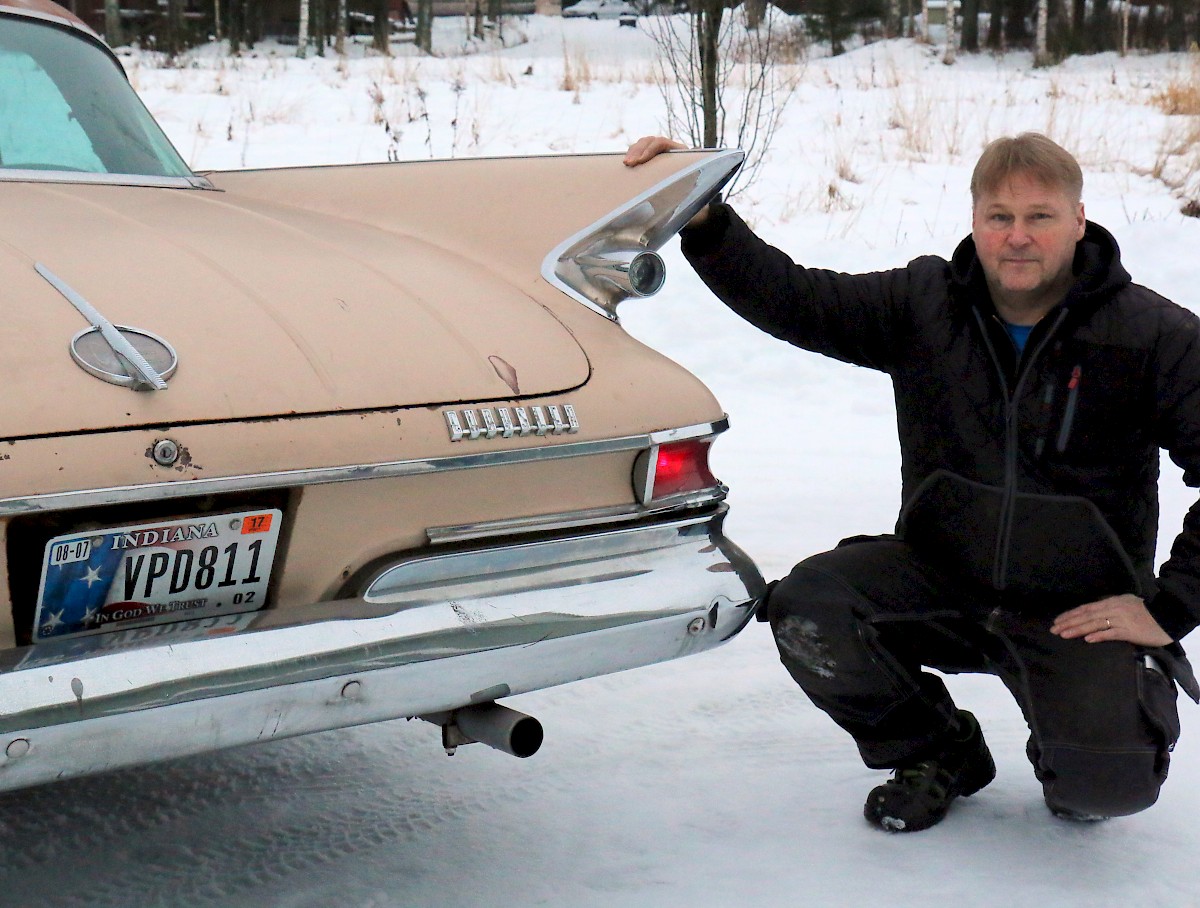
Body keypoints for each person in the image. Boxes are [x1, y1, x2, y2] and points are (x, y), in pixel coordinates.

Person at [624, 132, 1200, 831]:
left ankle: (1083, 732)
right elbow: (796, 300)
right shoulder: (925, 304)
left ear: (1079, 221)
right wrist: (708, 218)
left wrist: (1168, 610)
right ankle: (938, 749)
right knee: (811, 605)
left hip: (1076, 611)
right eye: (999, 216)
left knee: (1104, 788)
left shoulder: (1151, 336)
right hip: (943, 577)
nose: (1017, 237)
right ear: (975, 221)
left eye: (1040, 217)